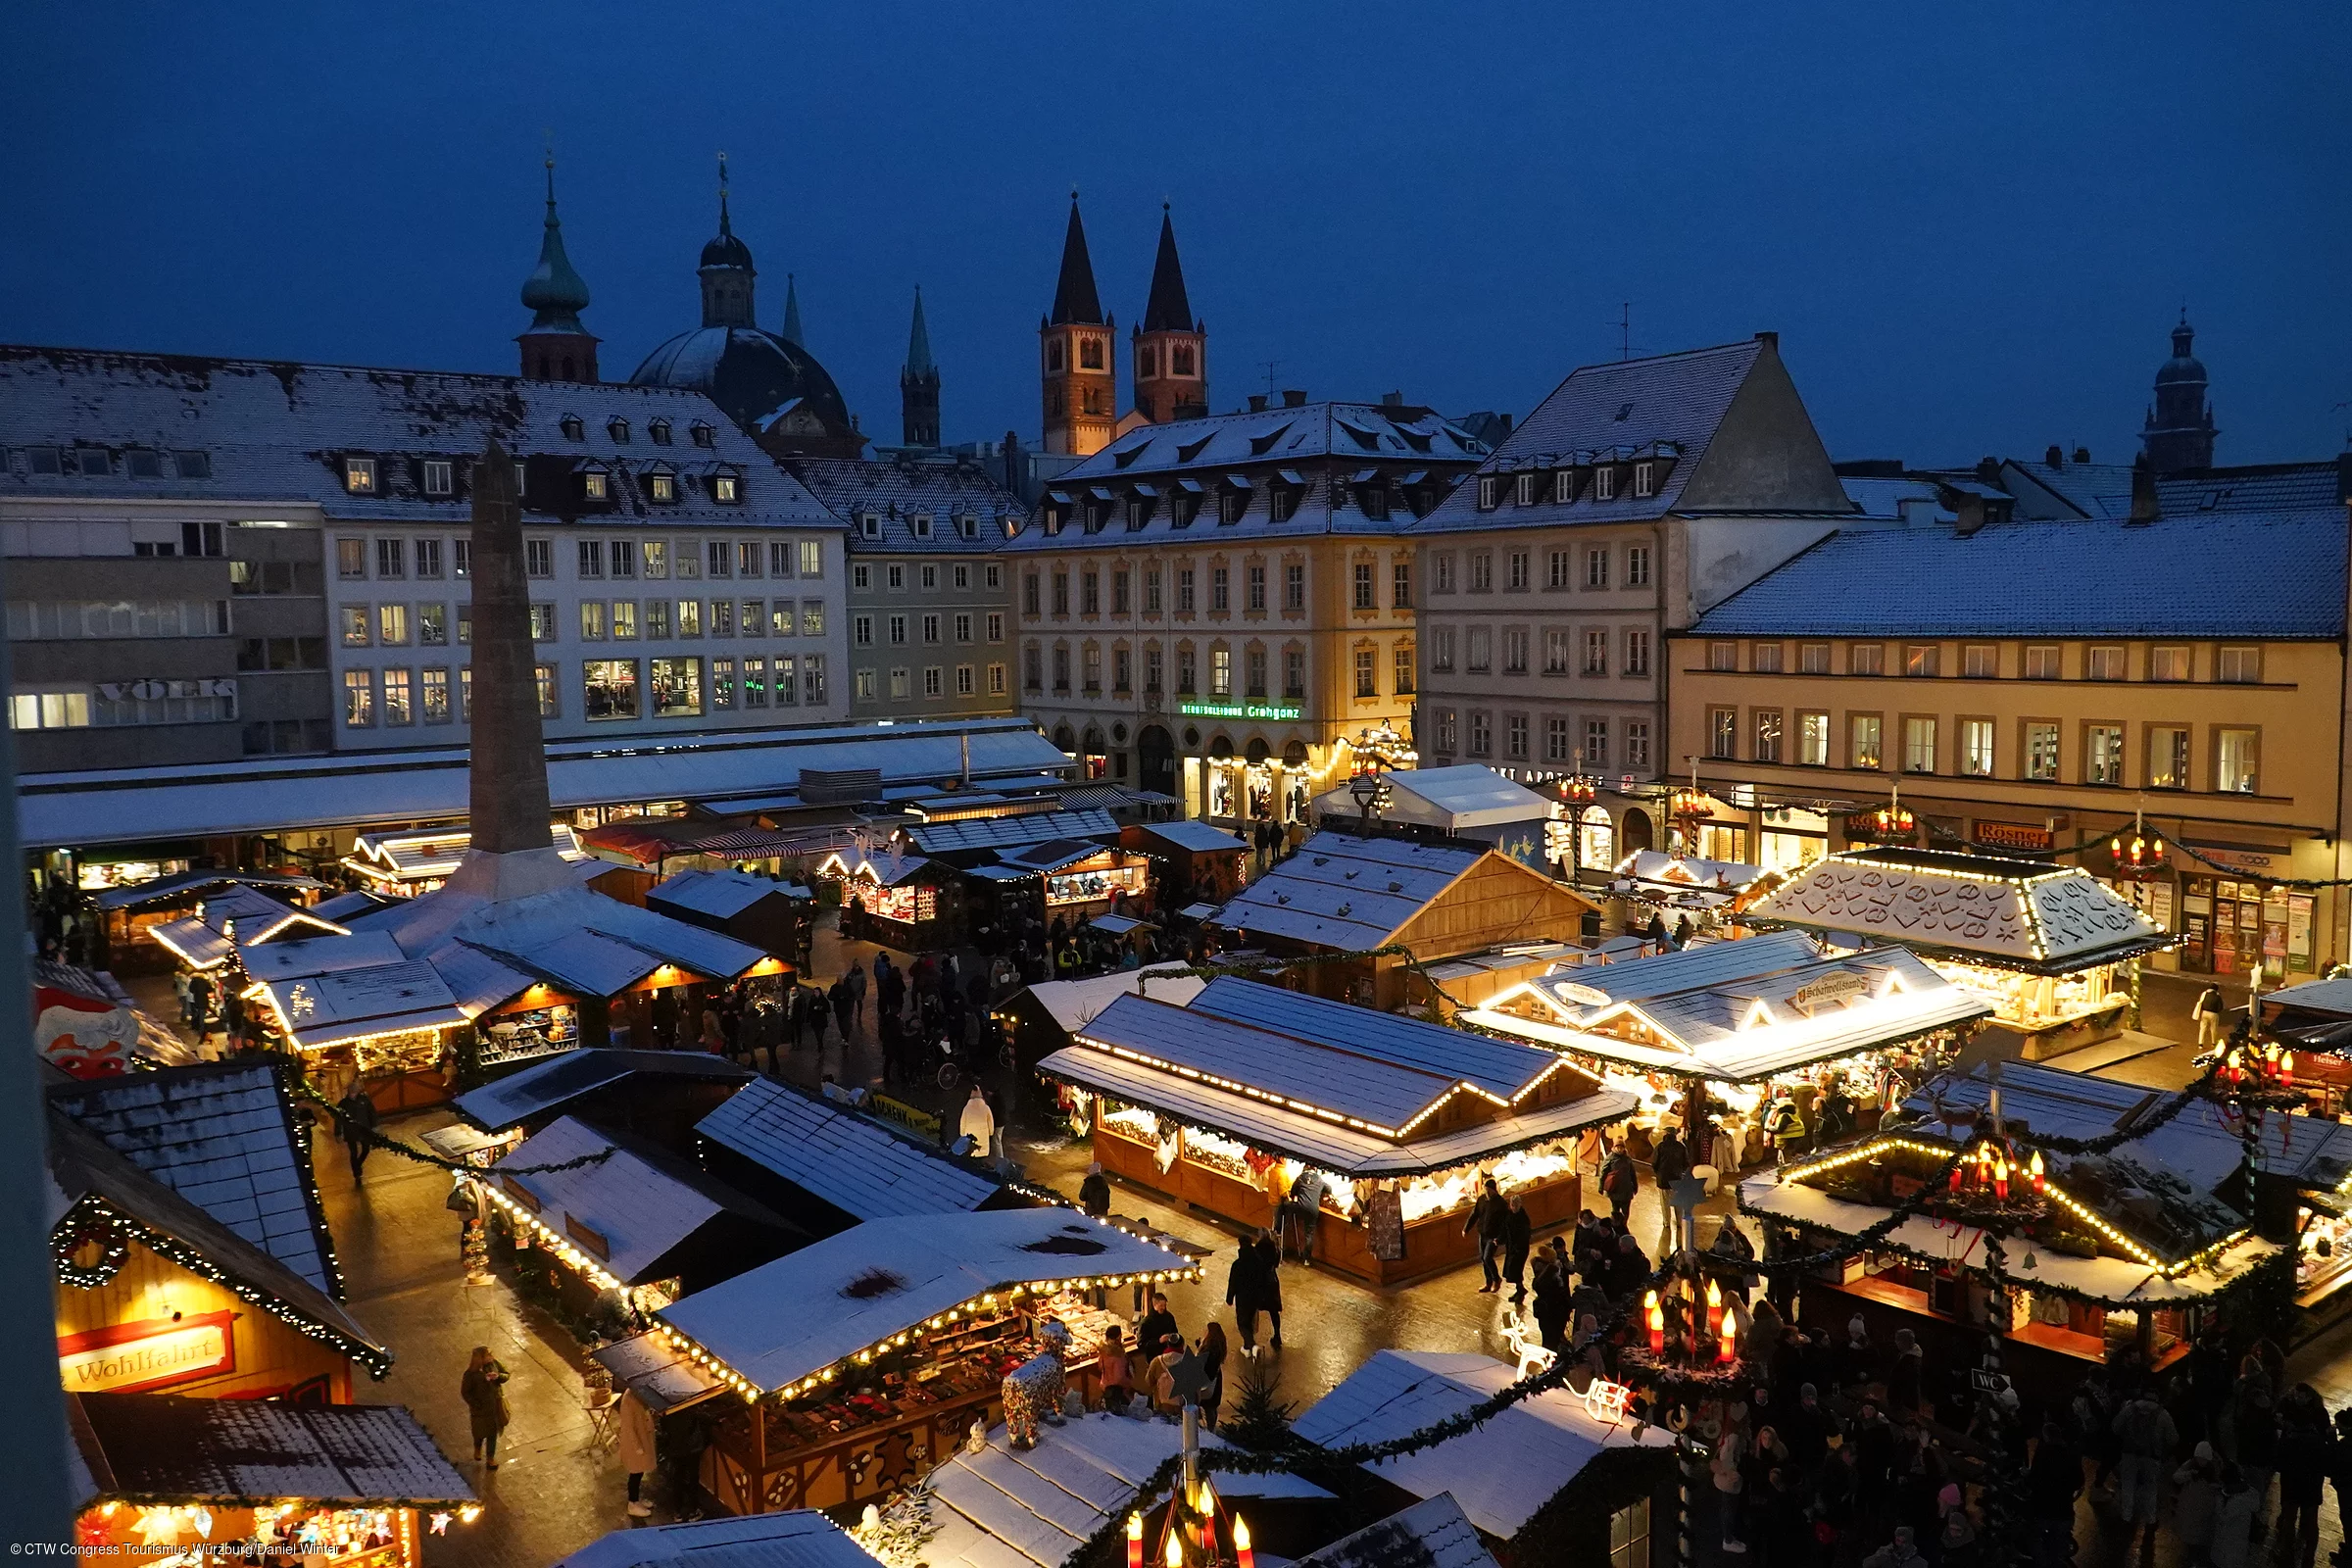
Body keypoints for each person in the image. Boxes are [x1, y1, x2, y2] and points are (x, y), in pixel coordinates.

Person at [2274, 1383, 2333, 1568]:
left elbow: (2279, 1462)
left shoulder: (2290, 1441)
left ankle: (2286, 1555)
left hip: (2292, 1483)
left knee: (2290, 1519)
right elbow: (2326, 1464)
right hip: (2311, 1485)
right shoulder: (2317, 1442)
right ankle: (2308, 1557)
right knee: (2311, 1521)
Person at [2112, 1384, 2178, 1550]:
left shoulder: (2130, 1409)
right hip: (2151, 1457)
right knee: (2150, 1489)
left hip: (2129, 1454)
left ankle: (2126, 1518)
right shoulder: (2162, 1414)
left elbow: (2115, 1427)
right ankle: (2150, 1520)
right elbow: (2173, 1439)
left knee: (2128, 1486)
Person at [461, 1346, 512, 1468]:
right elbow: (465, 1392)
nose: (491, 1356)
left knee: (492, 1433)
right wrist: (476, 1404)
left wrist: (498, 1376)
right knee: (479, 1432)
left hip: (494, 1405)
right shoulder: (471, 1375)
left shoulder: (493, 1364)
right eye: (488, 1355)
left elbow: (506, 1374)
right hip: (480, 1409)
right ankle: (477, 1447)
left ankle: (490, 1458)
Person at [619, 1387, 658, 1518]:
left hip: (641, 1439)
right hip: (635, 1445)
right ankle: (633, 1503)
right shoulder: (629, 1400)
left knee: (638, 1472)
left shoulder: (636, 1395)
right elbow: (628, 1426)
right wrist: (637, 1447)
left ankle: (636, 1500)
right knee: (635, 1473)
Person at [1465, 1177, 1508, 1293]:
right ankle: (1488, 1282)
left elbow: (1505, 1223)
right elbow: (1474, 1214)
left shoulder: (1501, 1203)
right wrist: (1466, 1228)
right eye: (1486, 1190)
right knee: (1483, 1259)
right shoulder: (1482, 1200)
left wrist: (1500, 1238)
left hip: (1493, 1236)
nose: (1487, 1192)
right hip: (1483, 1234)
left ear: (1494, 1190)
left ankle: (1496, 1279)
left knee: (1487, 1258)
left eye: (1489, 1190)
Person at [336, 1083, 377, 1182]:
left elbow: (372, 1112)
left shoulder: (364, 1100)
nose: (352, 1094)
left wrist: (374, 1126)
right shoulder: (343, 1104)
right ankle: (357, 1173)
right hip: (350, 1131)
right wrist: (337, 1133)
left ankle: (357, 1165)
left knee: (366, 1149)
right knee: (353, 1152)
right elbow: (338, 1119)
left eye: (354, 1091)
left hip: (364, 1129)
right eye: (351, 1091)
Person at [1500, 1195, 1533, 1301]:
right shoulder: (1509, 1215)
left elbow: (1525, 1234)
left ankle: (1520, 1292)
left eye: (1516, 1205)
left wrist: (1518, 1247)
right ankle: (1520, 1289)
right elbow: (1506, 1229)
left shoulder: (1523, 1218)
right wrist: (1500, 1239)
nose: (1514, 1207)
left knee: (1516, 1270)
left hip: (1520, 1249)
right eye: (1512, 1204)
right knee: (1513, 1271)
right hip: (1511, 1248)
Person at [1599, 1144, 1640, 1227]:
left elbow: (1632, 1174)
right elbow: (1603, 1173)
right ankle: (1616, 1226)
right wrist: (1601, 1186)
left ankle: (1623, 1226)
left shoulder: (1627, 1159)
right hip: (1614, 1190)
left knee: (1625, 1211)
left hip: (1626, 1190)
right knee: (1615, 1210)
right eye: (1618, 1147)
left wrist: (1635, 1186)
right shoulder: (1610, 1158)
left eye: (1621, 1147)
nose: (1619, 1149)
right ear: (1614, 1147)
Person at [1197, 1322, 1228, 1426]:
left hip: (1208, 1381)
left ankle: (1209, 1429)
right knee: (1212, 1407)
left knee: (1207, 1406)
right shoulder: (1219, 1345)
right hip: (1216, 1379)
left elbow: (1204, 1364)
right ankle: (1211, 1427)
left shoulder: (1210, 1349)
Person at [1098, 1326, 1134, 1412]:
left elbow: (1100, 1367)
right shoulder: (1118, 1355)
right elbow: (1119, 1377)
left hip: (1105, 1387)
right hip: (1118, 1391)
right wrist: (1129, 1383)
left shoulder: (1103, 1351)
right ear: (1119, 1337)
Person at [1137, 1293, 1179, 1360]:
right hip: (1154, 1357)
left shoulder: (1169, 1317)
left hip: (1169, 1355)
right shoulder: (1146, 1323)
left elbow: (1175, 1332)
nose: (1163, 1308)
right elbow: (1141, 1344)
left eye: (1165, 1305)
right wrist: (1159, 1341)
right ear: (1154, 1305)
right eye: (1161, 1306)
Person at [959, 1086, 997, 1161]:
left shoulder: (966, 1108)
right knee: (981, 1160)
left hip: (970, 1139)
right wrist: (990, 1133)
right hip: (982, 1139)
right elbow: (991, 1123)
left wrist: (963, 1135)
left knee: (969, 1157)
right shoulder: (986, 1108)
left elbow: (962, 1124)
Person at [2194, 984, 2228, 1050]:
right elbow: (2220, 1007)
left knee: (2203, 1028)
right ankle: (2213, 1042)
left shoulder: (2204, 994)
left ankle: (2200, 1043)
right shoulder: (2217, 996)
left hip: (2204, 1013)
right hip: (2213, 1014)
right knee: (2213, 1029)